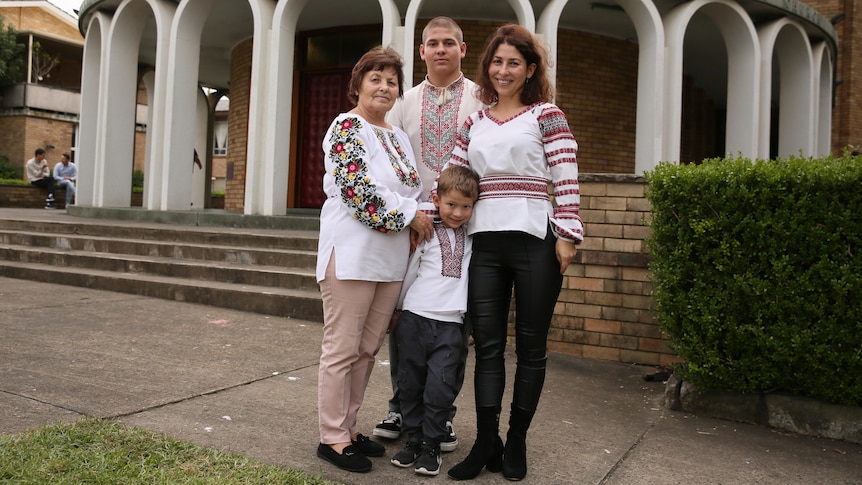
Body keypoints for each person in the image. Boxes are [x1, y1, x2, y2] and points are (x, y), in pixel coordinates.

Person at [443, 24, 584, 481]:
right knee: (486, 347)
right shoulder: (474, 121)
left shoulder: (547, 115)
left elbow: (565, 175)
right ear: (487, 67)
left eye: (514, 63)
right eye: (497, 62)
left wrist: (567, 233)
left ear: (530, 70)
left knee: (531, 349)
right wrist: (427, 215)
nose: (503, 70)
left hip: (535, 242)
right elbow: (454, 176)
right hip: (484, 244)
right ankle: (487, 441)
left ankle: (516, 440)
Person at [315, 46, 434, 474]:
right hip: (351, 256)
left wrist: (425, 215)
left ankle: (348, 428)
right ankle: (331, 437)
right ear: (358, 85)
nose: (384, 87)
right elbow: (358, 193)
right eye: (375, 78)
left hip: (390, 261)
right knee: (342, 349)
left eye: (391, 81)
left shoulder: (399, 138)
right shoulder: (347, 126)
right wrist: (411, 216)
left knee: (367, 351)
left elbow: (413, 196)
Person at [374, 15, 485, 451]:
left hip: (465, 224)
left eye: (449, 43)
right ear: (421, 51)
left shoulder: (481, 97)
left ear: (462, 49)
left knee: (454, 324)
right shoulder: (406, 100)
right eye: (432, 43)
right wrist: (407, 215)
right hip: (417, 225)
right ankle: (402, 405)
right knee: (407, 320)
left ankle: (442, 417)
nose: (441, 49)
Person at [389, 165, 479, 476]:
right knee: (410, 384)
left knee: (440, 388)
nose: (458, 212)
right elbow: (410, 272)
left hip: (451, 325)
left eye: (466, 206)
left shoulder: (474, 239)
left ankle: (431, 444)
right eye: (451, 204)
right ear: (437, 200)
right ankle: (413, 441)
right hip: (415, 318)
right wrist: (397, 310)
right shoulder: (425, 234)